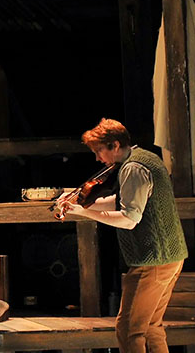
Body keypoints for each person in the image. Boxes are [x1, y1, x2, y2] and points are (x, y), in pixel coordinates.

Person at [55, 118, 187, 353]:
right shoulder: (146, 158)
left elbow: (128, 219)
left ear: (115, 145)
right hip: (171, 257)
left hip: (152, 260)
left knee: (129, 329)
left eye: (99, 151)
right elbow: (122, 200)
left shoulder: (133, 168)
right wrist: (82, 205)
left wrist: (83, 213)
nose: (97, 159)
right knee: (151, 327)